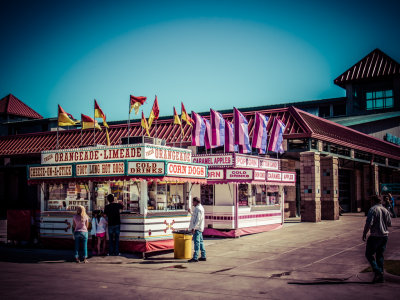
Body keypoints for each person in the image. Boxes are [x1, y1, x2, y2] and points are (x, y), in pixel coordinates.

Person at [362, 195, 391, 283]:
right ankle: (380, 277)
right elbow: (389, 223)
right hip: (384, 236)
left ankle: (378, 271)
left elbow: (369, 223)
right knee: (380, 255)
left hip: (375, 236)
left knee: (369, 254)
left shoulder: (373, 209)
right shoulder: (385, 210)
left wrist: (364, 233)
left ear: (373, 201)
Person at [188, 197, 206, 263]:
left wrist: (194, 227)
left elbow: (198, 220)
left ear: (196, 202)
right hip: (199, 228)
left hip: (197, 228)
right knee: (200, 242)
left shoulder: (198, 209)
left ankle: (195, 257)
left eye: (193, 202)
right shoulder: (198, 208)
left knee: (197, 243)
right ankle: (203, 256)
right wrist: (191, 212)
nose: (193, 203)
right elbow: (195, 217)